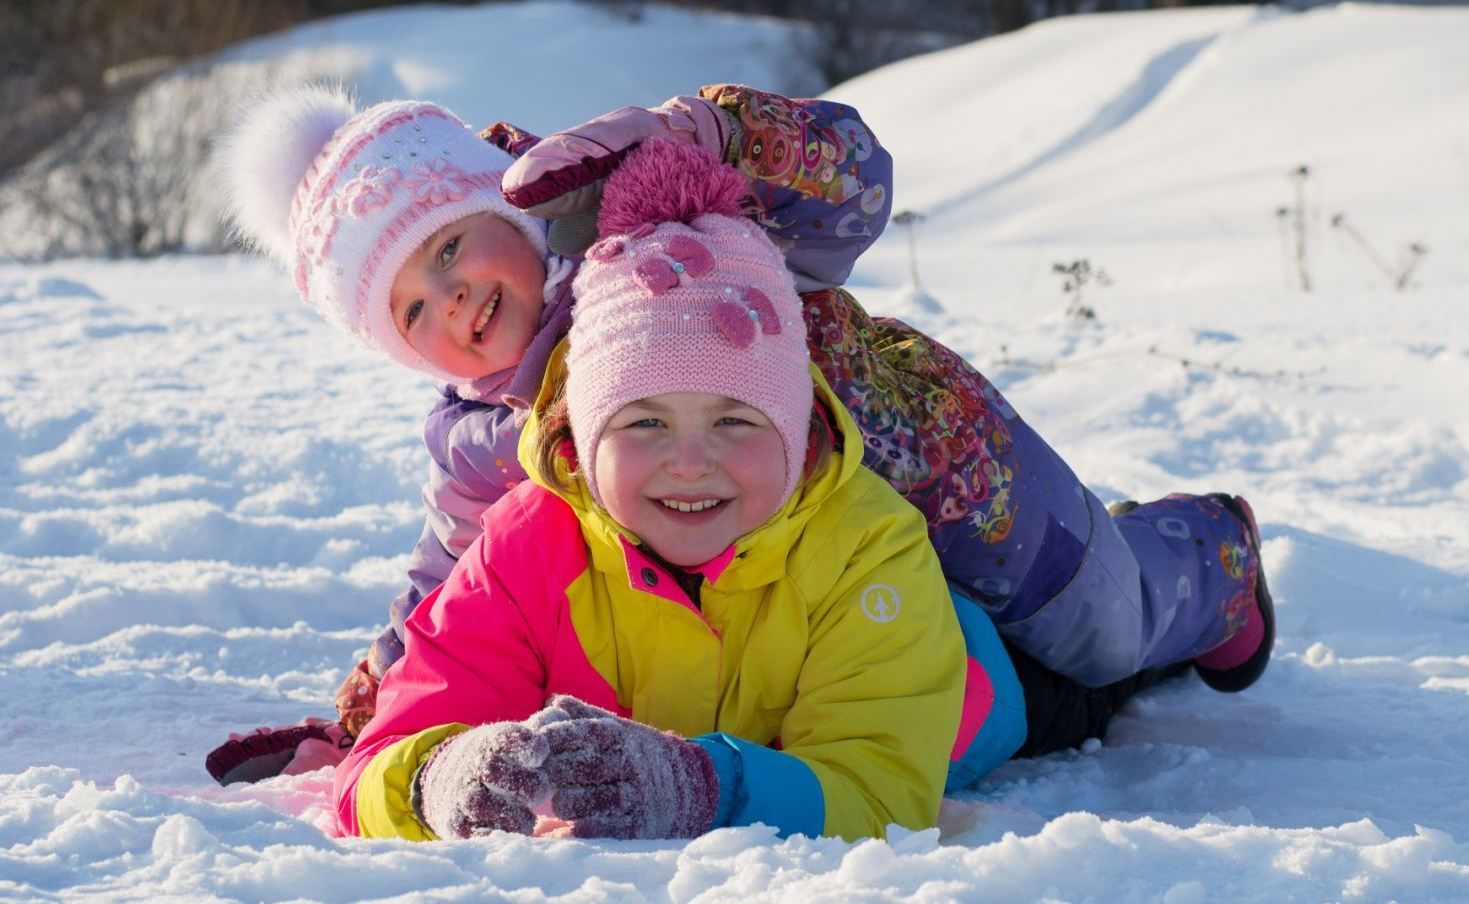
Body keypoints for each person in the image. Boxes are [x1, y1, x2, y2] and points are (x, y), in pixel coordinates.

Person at [207, 80, 1272, 784]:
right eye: (407, 307)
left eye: (446, 248)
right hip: (818, 566)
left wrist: (713, 135)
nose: (450, 301)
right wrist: (361, 719)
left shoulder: (641, 204)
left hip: (943, 477)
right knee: (968, 693)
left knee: (1102, 628)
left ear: (505, 205)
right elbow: (450, 595)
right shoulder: (482, 440)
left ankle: (1211, 555)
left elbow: (851, 187)